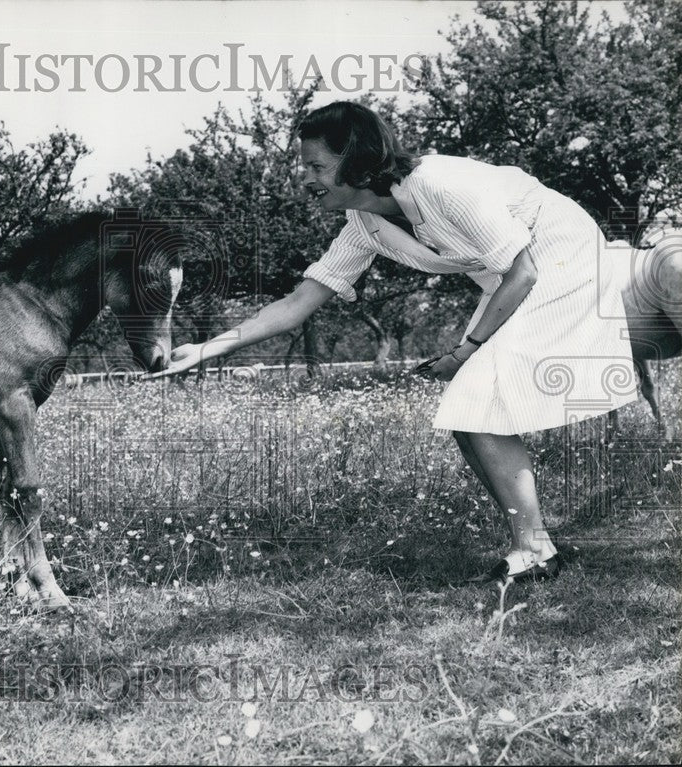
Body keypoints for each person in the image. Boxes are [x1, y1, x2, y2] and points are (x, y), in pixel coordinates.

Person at [146, 100, 638, 583]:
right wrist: (207, 349)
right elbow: (297, 303)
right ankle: (533, 545)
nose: (305, 179)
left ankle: (534, 548)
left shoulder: (440, 185)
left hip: (560, 256)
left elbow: (525, 269)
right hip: (514, 276)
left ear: (356, 159)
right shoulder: (363, 225)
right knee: (466, 413)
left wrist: (464, 350)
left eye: (316, 166)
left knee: (475, 396)